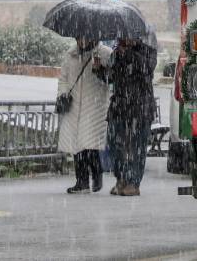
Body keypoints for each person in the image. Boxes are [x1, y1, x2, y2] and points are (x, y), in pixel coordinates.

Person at [98, 34, 157, 196]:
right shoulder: (116, 53)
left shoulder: (147, 51)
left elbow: (146, 69)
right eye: (120, 36)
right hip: (119, 107)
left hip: (140, 108)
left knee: (137, 148)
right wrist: (100, 70)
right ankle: (121, 178)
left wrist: (129, 53)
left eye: (125, 36)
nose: (121, 39)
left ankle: (133, 183)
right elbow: (111, 77)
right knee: (115, 144)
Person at [56, 35, 112, 194]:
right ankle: (81, 182)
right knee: (76, 146)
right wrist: (62, 94)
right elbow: (63, 79)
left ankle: (97, 173)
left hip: (94, 105)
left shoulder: (105, 53)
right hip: (74, 105)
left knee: (90, 144)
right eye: (79, 37)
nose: (82, 41)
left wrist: (100, 69)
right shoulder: (71, 54)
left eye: (85, 37)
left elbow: (112, 79)